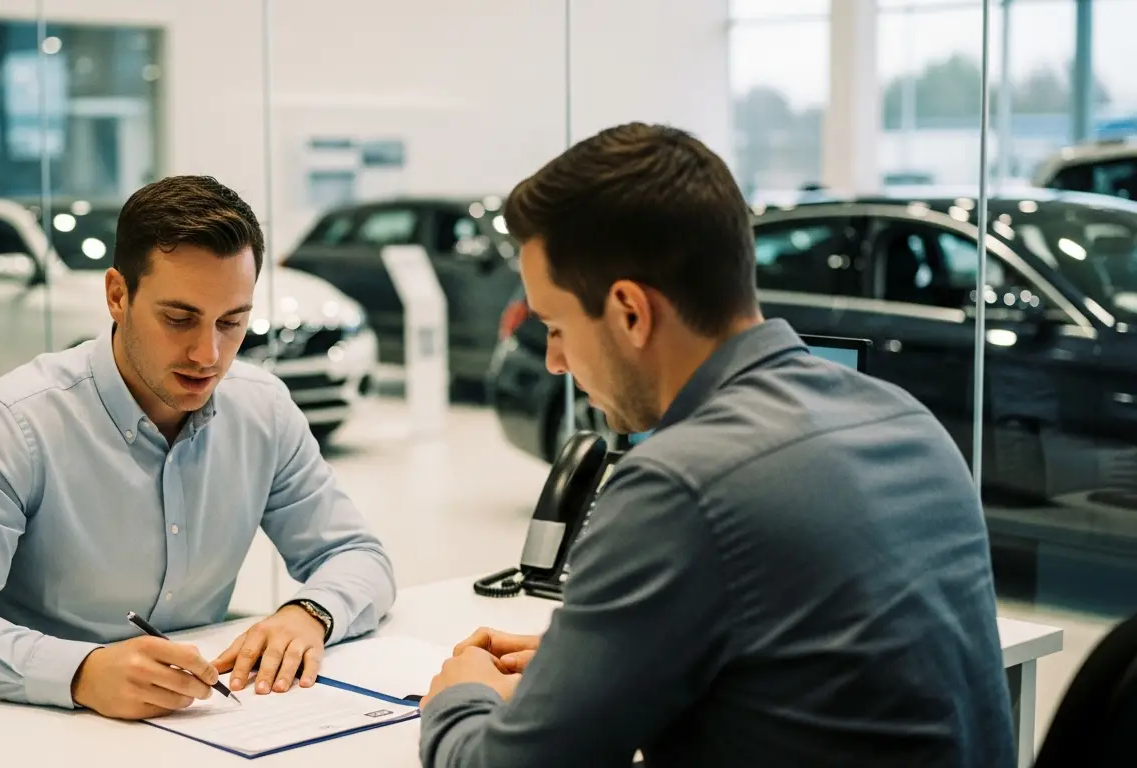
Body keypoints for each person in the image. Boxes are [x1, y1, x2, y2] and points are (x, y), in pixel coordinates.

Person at [418, 123, 1015, 766]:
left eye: (557, 326)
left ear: (629, 313)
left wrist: (462, 700)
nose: (556, 363)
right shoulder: (905, 422)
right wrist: (607, 667)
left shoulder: (678, 484)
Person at [0, 175, 396, 720]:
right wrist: (80, 672)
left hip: (196, 726)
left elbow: (359, 557)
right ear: (117, 296)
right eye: (179, 319)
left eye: (233, 322)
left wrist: (310, 612)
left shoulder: (262, 408)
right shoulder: (15, 422)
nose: (208, 353)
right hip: (37, 724)